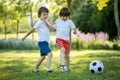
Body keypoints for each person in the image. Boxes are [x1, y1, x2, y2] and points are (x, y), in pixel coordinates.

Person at [22, 6, 53, 73]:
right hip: (42, 42)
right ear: (39, 15)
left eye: (47, 14)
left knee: (43, 57)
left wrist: (47, 25)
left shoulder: (46, 22)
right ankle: (48, 69)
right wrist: (25, 36)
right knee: (50, 54)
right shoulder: (39, 22)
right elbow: (32, 29)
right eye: (44, 14)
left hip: (45, 42)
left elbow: (51, 28)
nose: (46, 16)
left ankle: (35, 69)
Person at [46, 7, 77, 72]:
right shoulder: (58, 21)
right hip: (59, 39)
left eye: (66, 16)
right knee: (62, 49)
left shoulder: (70, 22)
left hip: (67, 40)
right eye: (63, 16)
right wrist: (47, 25)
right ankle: (62, 66)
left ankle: (68, 69)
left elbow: (74, 28)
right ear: (60, 15)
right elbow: (52, 28)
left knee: (67, 56)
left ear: (68, 16)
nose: (64, 18)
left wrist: (75, 31)